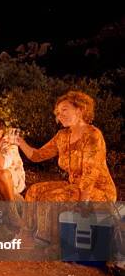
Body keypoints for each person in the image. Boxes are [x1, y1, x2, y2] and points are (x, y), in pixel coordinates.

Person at [17, 91, 117, 243]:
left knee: (51, 198)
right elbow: (37, 155)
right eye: (57, 112)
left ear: (80, 110)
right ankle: (26, 234)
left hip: (97, 191)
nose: (59, 115)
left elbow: (91, 173)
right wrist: (19, 142)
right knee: (34, 191)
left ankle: (49, 241)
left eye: (64, 110)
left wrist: (83, 205)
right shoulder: (62, 136)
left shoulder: (93, 135)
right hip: (74, 186)